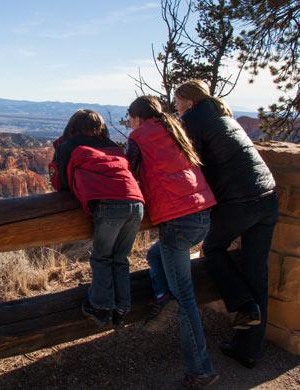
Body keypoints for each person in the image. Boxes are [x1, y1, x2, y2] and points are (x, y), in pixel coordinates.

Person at [175, 80, 278, 369]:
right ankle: (250, 349)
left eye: (177, 101)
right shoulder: (223, 117)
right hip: (268, 198)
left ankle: (244, 305)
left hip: (240, 202)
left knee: (213, 248)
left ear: (189, 101)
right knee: (256, 270)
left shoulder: (193, 120)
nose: (176, 106)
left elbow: (188, 163)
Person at [126, 96, 218, 387]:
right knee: (155, 255)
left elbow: (126, 173)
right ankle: (163, 297)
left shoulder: (138, 136)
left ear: (137, 117)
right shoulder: (174, 129)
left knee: (186, 299)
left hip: (178, 221)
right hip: (203, 215)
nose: (129, 123)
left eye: (129, 117)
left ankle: (201, 370)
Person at [49, 109, 144, 327]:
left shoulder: (68, 146)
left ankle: (101, 307)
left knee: (101, 258)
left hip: (109, 206)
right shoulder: (112, 145)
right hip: (137, 203)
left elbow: (61, 183)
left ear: (73, 125)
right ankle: (122, 307)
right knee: (120, 258)